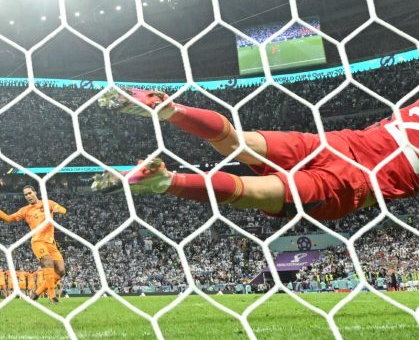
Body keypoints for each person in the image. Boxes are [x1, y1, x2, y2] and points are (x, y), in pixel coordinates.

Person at [92, 89, 419, 221]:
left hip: (335, 143)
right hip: (356, 180)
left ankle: (169, 109)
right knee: (252, 191)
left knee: (236, 142)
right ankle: (165, 181)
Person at [0, 186, 67, 304]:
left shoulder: (47, 203)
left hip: (51, 243)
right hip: (37, 241)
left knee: (61, 271)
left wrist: (59, 210)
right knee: (47, 261)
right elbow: (9, 218)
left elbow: (62, 209)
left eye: (30, 193)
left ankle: (36, 293)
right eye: (25, 195)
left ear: (35, 192)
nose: (28, 196)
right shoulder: (25, 210)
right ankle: (52, 297)